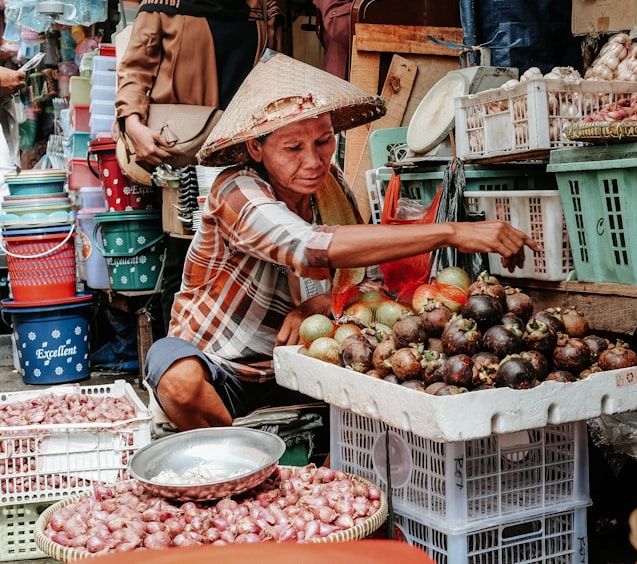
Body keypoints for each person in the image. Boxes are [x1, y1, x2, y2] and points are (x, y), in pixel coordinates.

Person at [144, 52, 541, 431]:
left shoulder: (329, 187)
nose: (314, 161)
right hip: (222, 370)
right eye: (293, 148)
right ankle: (238, 457)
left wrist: (317, 306)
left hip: (301, 369)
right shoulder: (236, 188)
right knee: (176, 374)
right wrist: (450, 231)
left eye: (323, 141)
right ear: (256, 148)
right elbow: (307, 245)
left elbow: (367, 282)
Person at [115, 0, 281, 339]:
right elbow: (134, 70)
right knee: (185, 258)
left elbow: (273, 66)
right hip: (185, 147)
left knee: (248, 258)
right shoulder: (166, 4)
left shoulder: (260, 4)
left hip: (245, 145)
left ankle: (232, 361)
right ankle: (177, 365)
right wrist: (132, 123)